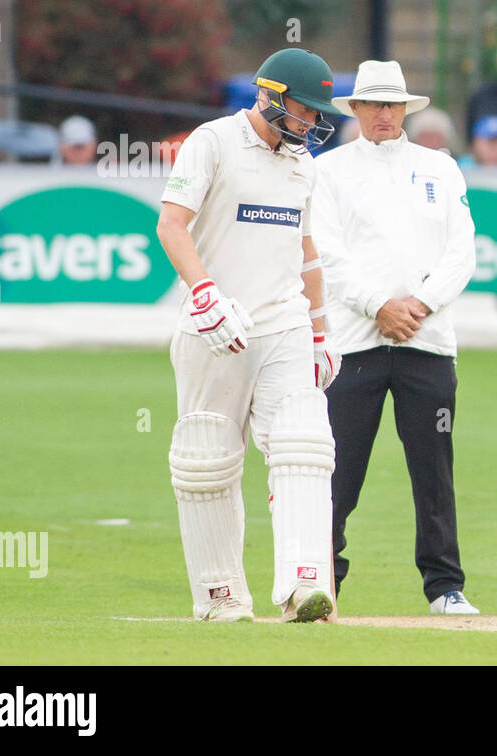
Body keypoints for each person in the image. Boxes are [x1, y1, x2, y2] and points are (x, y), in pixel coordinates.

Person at [155, 47, 344, 623]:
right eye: (303, 111)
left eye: (317, 115)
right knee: (208, 459)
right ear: (270, 95)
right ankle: (222, 597)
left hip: (284, 324)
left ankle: (305, 584)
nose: (311, 124)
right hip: (215, 330)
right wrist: (204, 294)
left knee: (303, 443)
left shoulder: (303, 165)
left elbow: (305, 250)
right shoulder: (212, 142)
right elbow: (171, 223)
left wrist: (319, 331)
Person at [310, 60, 480, 616]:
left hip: (427, 342)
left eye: (392, 104)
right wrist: (378, 306)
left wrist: (420, 305)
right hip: (354, 343)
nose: (384, 114)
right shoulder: (329, 171)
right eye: (373, 104)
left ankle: (445, 587)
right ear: (354, 109)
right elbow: (325, 253)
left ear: (406, 108)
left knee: (433, 471)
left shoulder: (440, 166)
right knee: (338, 470)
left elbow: (462, 252)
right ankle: (319, 579)